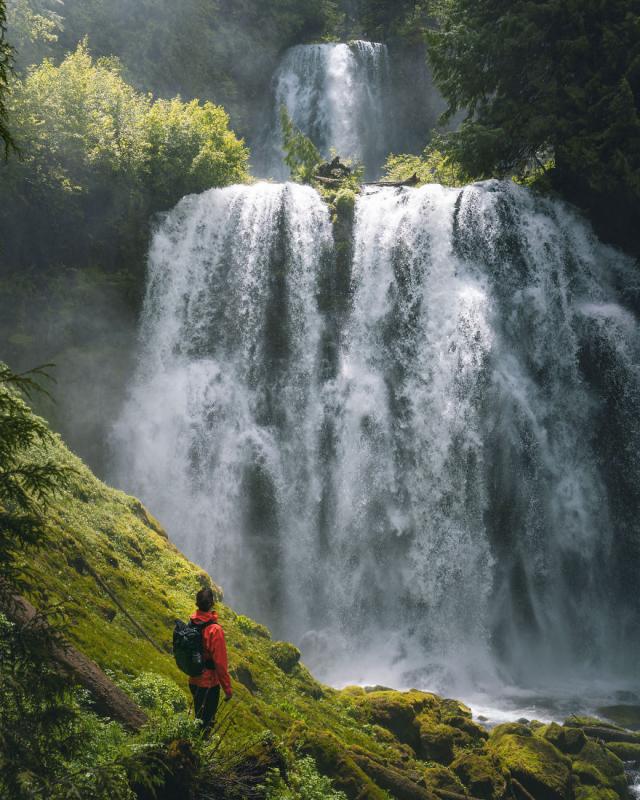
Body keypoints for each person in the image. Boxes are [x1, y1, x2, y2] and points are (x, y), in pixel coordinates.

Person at [188, 587, 232, 733]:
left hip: (194, 679)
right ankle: (199, 750)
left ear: (197, 603)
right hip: (209, 683)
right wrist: (227, 689)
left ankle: (194, 746)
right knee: (206, 724)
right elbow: (220, 663)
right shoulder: (215, 630)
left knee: (198, 718)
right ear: (212, 602)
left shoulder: (192, 622)